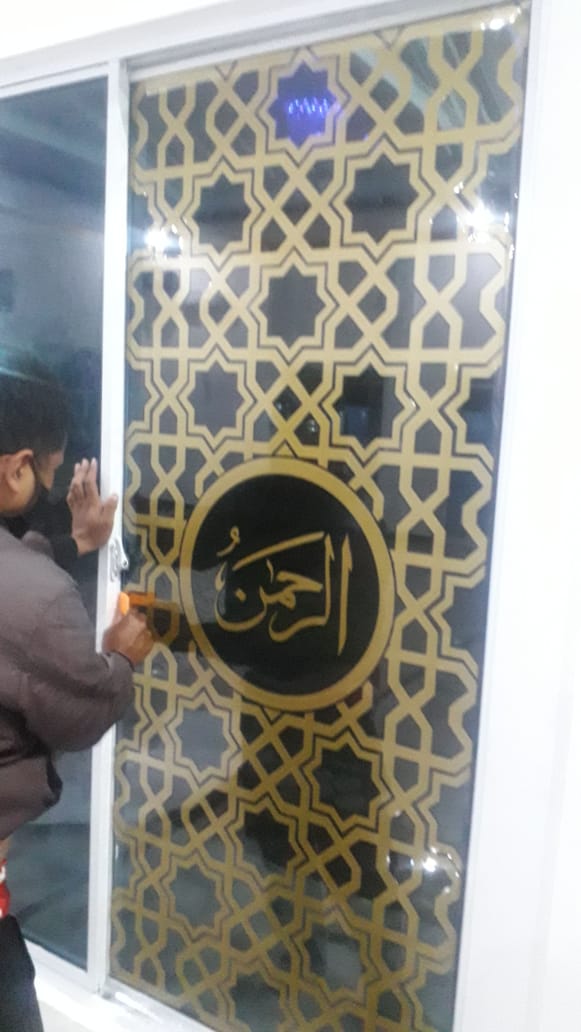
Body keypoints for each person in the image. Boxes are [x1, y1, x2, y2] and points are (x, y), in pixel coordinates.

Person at [0, 349, 153, 1030]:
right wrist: (120, 658)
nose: (52, 486)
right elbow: (82, 711)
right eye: (49, 473)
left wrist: (79, 543)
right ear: (16, 468)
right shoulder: (37, 600)